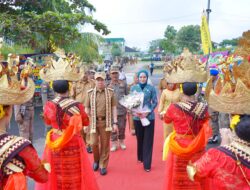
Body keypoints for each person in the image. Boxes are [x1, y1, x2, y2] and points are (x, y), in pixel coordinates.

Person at [35, 56, 99, 190]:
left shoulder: (49, 105)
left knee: (56, 171)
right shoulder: (76, 105)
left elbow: (47, 121)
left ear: (54, 89)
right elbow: (85, 122)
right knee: (74, 171)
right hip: (72, 141)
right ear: (69, 87)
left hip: (55, 140)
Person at [187, 59, 250, 190]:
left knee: (221, 122)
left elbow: (193, 172)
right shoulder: (219, 81)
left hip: (225, 110)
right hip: (219, 107)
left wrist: (224, 147)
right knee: (215, 121)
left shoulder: (217, 155)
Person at [163, 49, 209, 190]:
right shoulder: (203, 107)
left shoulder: (173, 108)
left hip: (179, 145)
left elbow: (166, 120)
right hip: (197, 145)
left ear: (182, 90)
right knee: (196, 173)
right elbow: (206, 125)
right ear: (196, 90)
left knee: (180, 176)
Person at [0, 62, 48, 189]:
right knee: (25, 135)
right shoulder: (17, 145)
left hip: (30, 110)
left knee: (30, 134)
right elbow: (43, 176)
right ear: (7, 110)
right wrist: (18, 116)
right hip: (23, 113)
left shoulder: (25, 83)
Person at [85, 72, 118, 175]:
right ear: (95, 81)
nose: (100, 82)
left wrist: (115, 122)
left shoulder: (110, 92)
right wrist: (86, 122)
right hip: (93, 122)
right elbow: (87, 108)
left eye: (101, 80)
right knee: (93, 143)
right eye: (98, 80)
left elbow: (114, 108)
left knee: (105, 145)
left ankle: (103, 165)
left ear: (105, 80)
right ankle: (96, 160)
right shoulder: (90, 93)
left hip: (106, 122)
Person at [130, 70, 158, 172]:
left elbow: (155, 101)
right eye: (141, 77)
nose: (142, 79)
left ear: (147, 78)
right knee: (140, 138)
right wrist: (134, 110)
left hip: (149, 118)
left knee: (148, 141)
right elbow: (131, 102)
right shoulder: (133, 88)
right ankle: (140, 157)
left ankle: (147, 164)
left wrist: (148, 111)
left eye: (144, 77)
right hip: (137, 118)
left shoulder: (151, 88)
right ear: (138, 78)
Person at [71, 69, 95, 153]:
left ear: (88, 74)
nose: (84, 75)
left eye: (85, 73)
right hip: (78, 110)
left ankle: (89, 145)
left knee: (89, 128)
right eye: (82, 73)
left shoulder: (92, 83)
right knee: (80, 129)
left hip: (89, 109)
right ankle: (83, 144)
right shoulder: (75, 84)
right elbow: (72, 97)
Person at [108, 65, 128, 151]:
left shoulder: (124, 84)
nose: (115, 75)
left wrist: (128, 108)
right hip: (111, 111)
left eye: (116, 73)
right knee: (112, 128)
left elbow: (127, 96)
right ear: (110, 75)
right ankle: (113, 143)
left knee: (122, 127)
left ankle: (122, 141)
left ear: (118, 74)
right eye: (113, 73)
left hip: (122, 110)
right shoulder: (107, 86)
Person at [208, 66, 220, 144]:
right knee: (212, 120)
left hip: (216, 105)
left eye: (211, 75)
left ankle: (215, 137)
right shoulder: (211, 82)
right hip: (211, 104)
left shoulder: (218, 83)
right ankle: (214, 136)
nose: (210, 76)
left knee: (214, 120)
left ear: (215, 76)